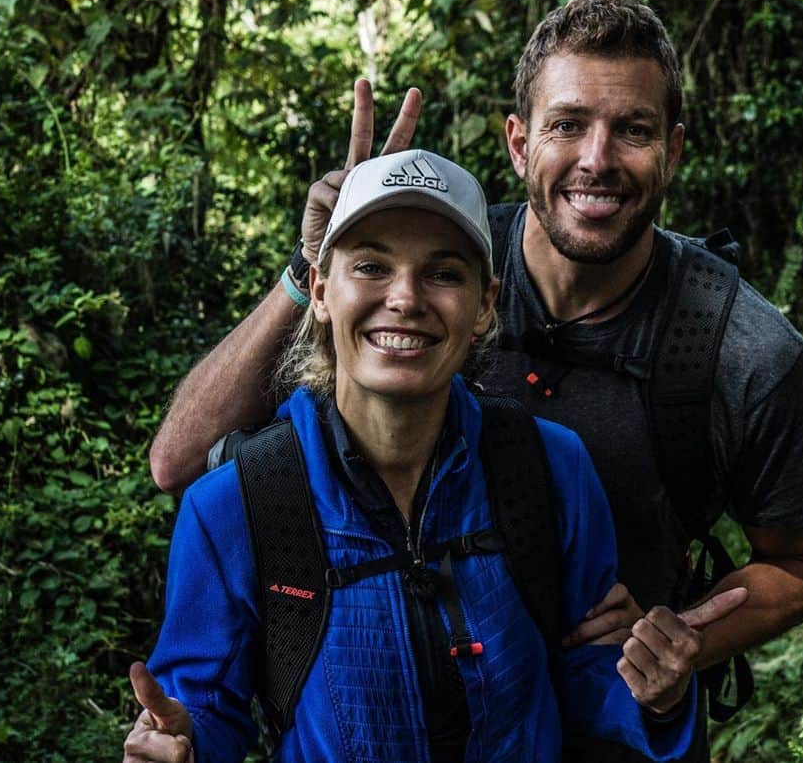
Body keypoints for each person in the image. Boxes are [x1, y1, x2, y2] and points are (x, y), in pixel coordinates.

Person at [148, 0, 803, 762]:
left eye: (633, 130)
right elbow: (182, 467)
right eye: (568, 124)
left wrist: (676, 649)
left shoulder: (740, 352)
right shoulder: (448, 257)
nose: (596, 160)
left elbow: (801, 563)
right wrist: (311, 269)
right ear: (518, 142)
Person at [122, 149, 746, 763]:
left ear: (484, 306)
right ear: (318, 290)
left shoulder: (548, 468)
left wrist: (656, 695)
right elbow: (202, 706)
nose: (406, 298)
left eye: (444, 273)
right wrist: (184, 743)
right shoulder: (240, 501)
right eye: (370, 266)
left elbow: (589, 672)